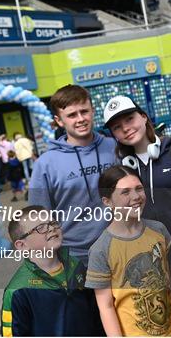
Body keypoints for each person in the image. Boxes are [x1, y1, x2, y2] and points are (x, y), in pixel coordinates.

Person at [85, 165, 171, 337]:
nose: (135, 197)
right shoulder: (101, 250)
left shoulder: (159, 230)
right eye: (125, 192)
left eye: (139, 188)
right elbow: (106, 306)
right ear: (107, 201)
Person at [29, 84, 118, 264]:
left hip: (119, 247)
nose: (80, 119)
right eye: (71, 115)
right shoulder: (46, 164)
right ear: (59, 121)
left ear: (93, 111)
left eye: (84, 111)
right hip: (73, 257)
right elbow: (39, 218)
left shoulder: (114, 147)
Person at [103, 95, 171, 235]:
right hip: (151, 249)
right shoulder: (123, 169)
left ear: (144, 117)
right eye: (117, 127)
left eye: (129, 119)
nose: (125, 128)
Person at [1, 205, 96, 336]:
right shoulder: (17, 290)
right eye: (40, 227)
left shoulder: (76, 265)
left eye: (53, 223)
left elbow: (96, 312)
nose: (51, 228)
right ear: (22, 245)